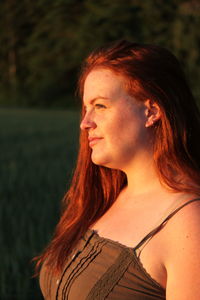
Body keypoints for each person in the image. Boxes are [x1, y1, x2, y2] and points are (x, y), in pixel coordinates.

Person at [37, 40, 200, 299]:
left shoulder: (189, 224)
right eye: (85, 108)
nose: (85, 123)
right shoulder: (104, 197)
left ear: (151, 111)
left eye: (100, 106)